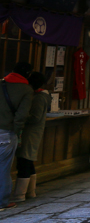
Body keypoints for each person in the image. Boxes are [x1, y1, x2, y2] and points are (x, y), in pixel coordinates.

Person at [11, 72, 51, 203]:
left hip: (30, 133)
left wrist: (20, 116)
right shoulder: (43, 96)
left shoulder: (39, 98)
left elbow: (35, 117)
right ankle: (30, 192)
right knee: (28, 162)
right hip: (33, 133)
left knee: (24, 162)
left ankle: (19, 195)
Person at [0, 62, 34, 210]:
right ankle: (2, 201)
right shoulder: (26, 90)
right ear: (27, 74)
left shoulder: (1, 84)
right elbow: (22, 115)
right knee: (3, 168)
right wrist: (17, 131)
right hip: (7, 132)